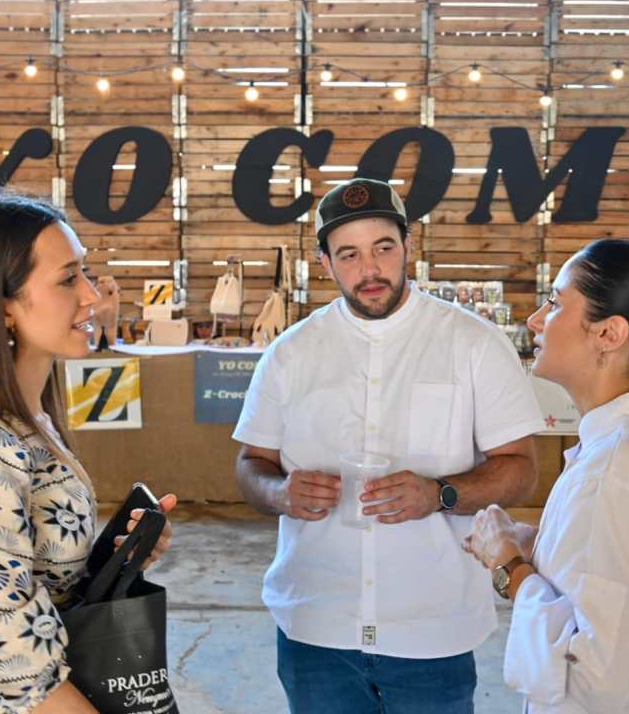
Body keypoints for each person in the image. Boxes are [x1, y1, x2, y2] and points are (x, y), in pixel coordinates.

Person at [232, 178, 544, 713]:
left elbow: (520, 469)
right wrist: (280, 493)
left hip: (433, 629)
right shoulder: (290, 354)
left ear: (408, 247)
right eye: (349, 255)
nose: (370, 270)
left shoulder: (474, 344)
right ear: (325, 263)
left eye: (383, 248)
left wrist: (439, 493)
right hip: (317, 626)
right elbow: (250, 464)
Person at [0, 189, 177, 713]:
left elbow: (34, 583)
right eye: (68, 279)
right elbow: (7, 668)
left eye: (84, 273)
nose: (92, 295)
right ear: (2, 304)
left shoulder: (29, 422)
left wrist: (112, 560)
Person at [464, 238, 629, 713]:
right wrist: (544, 547)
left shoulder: (618, 469)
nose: (536, 320)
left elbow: (588, 676)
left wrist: (509, 565)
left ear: (609, 333)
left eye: (555, 303)